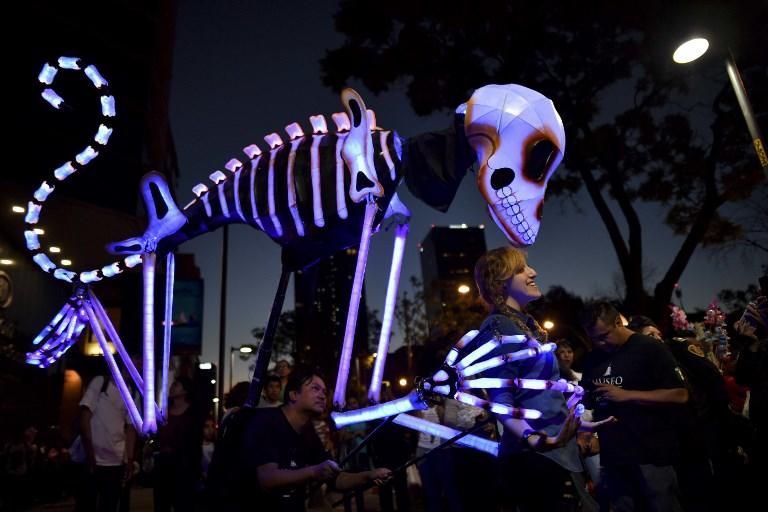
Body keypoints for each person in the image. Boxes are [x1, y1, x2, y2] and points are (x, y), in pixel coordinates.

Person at [472, 247, 607, 511]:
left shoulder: (525, 324)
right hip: (534, 460)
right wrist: (535, 438)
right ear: (500, 282)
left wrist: (575, 425)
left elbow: (542, 394)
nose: (533, 272)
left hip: (556, 455)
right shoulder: (499, 327)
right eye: (521, 268)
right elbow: (501, 399)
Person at [580, 301, 689, 512]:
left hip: (651, 455)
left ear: (618, 322)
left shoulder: (649, 348)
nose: (600, 343)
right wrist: (584, 431)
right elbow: (586, 401)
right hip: (614, 458)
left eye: (604, 336)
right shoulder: (593, 359)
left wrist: (627, 395)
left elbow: (680, 394)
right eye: (594, 339)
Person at [235, 366, 391, 511]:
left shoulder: (308, 433)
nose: (323, 395)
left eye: (324, 391)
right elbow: (267, 479)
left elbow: (336, 479)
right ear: (294, 395)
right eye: (315, 388)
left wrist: (369, 476)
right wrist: (314, 471)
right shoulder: (268, 421)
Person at [75, 372, 136, 512]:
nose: (139, 363)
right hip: (94, 460)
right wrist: (90, 454)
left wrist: (129, 460)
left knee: (109, 505)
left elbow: (131, 428)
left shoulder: (132, 392)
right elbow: (85, 418)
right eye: (136, 358)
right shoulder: (101, 382)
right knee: (86, 504)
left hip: (116, 462)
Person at [153, 376, 202, 511]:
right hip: (163, 468)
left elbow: (195, 443)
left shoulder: (193, 414)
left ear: (185, 391)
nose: (172, 387)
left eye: (176, 384)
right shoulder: (163, 412)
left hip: (184, 469)